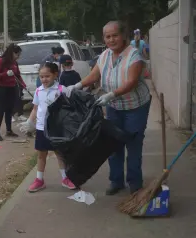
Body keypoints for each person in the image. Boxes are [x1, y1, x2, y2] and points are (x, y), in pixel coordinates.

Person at [67, 21, 151, 195]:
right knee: (112, 144)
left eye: (115, 35)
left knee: (133, 144)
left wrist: (111, 94)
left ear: (123, 35)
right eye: (107, 36)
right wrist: (76, 86)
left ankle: (135, 183)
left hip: (135, 107)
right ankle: (116, 181)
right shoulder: (104, 55)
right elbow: (94, 75)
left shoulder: (134, 55)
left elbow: (132, 82)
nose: (111, 39)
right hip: (113, 107)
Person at [19, 62, 77, 192]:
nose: (44, 79)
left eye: (47, 76)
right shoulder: (39, 91)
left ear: (55, 75)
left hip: (57, 128)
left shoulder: (62, 90)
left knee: (60, 154)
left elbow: (71, 109)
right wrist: (30, 122)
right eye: (41, 77)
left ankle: (65, 178)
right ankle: (39, 180)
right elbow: (35, 108)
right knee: (41, 155)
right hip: (41, 128)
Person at [0, 43, 25, 141]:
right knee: (0, 110)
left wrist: (23, 85)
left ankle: (9, 130)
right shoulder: (1, 61)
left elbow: (18, 75)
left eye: (19, 55)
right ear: (11, 53)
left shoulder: (15, 63)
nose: (18, 57)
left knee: (9, 110)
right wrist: (5, 74)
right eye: (17, 55)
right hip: (0, 89)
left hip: (12, 88)